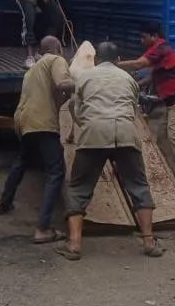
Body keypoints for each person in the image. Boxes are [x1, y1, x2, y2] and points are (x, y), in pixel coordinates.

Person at [59, 41, 162, 261]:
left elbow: (77, 109)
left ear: (95, 60)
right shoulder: (128, 78)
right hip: (125, 132)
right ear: (118, 60)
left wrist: (87, 125)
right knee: (138, 185)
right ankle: (148, 241)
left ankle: (75, 244)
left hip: (93, 132)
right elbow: (133, 109)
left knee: (78, 187)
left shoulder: (85, 77)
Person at [0, 36, 73, 242]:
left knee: (22, 160)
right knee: (56, 172)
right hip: (42, 120)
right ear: (57, 48)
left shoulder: (32, 69)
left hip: (24, 119)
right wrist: (86, 82)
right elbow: (63, 83)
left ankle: (4, 203)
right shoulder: (56, 60)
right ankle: (42, 229)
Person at [119, 21, 175, 200]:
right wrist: (134, 85)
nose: (142, 41)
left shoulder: (160, 48)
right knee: (163, 140)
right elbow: (152, 78)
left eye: (143, 37)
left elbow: (139, 64)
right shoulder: (161, 55)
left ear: (154, 36)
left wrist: (114, 64)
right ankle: (173, 179)